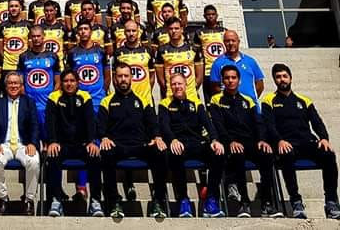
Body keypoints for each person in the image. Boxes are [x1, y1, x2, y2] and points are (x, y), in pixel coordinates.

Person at [262, 62, 340, 219]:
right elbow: (269, 125)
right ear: (274, 80)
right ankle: (296, 201)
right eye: (278, 77)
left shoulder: (304, 100)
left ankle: (331, 202)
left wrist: (324, 138)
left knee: (329, 155)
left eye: (285, 76)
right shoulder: (268, 100)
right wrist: (279, 141)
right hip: (286, 144)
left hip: (307, 142)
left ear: (291, 78)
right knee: (286, 155)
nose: (282, 79)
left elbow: (317, 122)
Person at [97, 61, 168, 219]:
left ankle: (158, 201)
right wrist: (104, 137)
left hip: (140, 146)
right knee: (106, 153)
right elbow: (100, 127)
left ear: (131, 79)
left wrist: (156, 137)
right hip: (118, 147)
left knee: (161, 152)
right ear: (115, 79)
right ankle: (114, 201)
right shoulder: (106, 101)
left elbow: (152, 123)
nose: (123, 79)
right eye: (120, 76)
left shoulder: (143, 99)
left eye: (126, 76)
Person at [208, 63, 276, 218]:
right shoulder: (216, 100)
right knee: (238, 155)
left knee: (267, 155)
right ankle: (244, 203)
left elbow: (258, 123)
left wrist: (262, 140)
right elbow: (218, 125)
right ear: (222, 81)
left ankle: (267, 202)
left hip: (250, 142)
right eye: (227, 78)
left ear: (239, 80)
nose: (230, 81)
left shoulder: (248, 100)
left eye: (233, 78)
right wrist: (230, 141)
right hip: (230, 143)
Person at [159, 72, 225, 218]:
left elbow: (208, 124)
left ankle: (211, 199)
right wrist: (172, 140)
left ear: (186, 85)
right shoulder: (164, 104)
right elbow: (164, 126)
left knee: (218, 154)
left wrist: (214, 140)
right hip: (179, 144)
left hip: (197, 143)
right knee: (174, 155)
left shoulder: (196, 102)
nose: (177, 87)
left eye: (180, 83)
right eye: (174, 84)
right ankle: (183, 200)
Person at [44, 69, 103, 218]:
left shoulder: (85, 97)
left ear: (78, 83)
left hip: (81, 144)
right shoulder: (54, 97)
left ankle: (95, 201)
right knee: (52, 156)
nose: (69, 84)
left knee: (95, 156)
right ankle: (55, 200)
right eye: (66, 81)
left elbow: (90, 121)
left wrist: (91, 141)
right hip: (62, 145)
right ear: (61, 83)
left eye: (72, 81)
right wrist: (52, 141)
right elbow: (50, 123)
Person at [0, 72, 40, 215]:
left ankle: (29, 200)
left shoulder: (29, 102)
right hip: (4, 145)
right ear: (5, 86)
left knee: (34, 161)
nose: (13, 86)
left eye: (16, 83)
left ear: (21, 86)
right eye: (10, 83)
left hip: (23, 144)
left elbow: (35, 125)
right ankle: (3, 198)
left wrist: (33, 143)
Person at [17, 25, 60, 136]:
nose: (36, 39)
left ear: (43, 37)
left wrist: (52, 97)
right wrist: (25, 97)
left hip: (47, 102)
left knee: (48, 134)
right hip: (30, 101)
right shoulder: (23, 57)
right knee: (32, 135)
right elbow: (20, 82)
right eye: (33, 36)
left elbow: (58, 81)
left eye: (38, 36)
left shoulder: (53, 56)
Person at [154, 16, 204, 104]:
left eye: (176, 28)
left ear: (182, 29)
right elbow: (160, 78)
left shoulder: (193, 49)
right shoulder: (161, 50)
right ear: (167, 30)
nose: (174, 31)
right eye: (171, 29)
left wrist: (192, 88)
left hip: (191, 96)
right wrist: (168, 89)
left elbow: (199, 76)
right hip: (171, 96)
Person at [66, 20, 111, 112]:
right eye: (80, 29)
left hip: (98, 99)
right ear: (77, 32)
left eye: (86, 29)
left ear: (91, 31)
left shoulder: (101, 51)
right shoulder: (72, 52)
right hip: (79, 99)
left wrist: (102, 91)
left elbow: (107, 76)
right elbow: (69, 77)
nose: (83, 31)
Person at [209, 29, 264, 102]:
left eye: (233, 40)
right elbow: (215, 87)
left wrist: (250, 100)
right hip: (228, 108)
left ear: (238, 42)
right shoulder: (218, 63)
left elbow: (260, 85)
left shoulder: (250, 61)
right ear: (224, 43)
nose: (231, 43)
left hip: (250, 108)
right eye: (227, 41)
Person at [113, 19, 155, 105]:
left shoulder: (147, 51)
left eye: (134, 31)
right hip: (126, 100)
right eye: (128, 31)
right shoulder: (118, 52)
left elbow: (152, 76)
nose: (131, 34)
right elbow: (115, 78)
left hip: (146, 100)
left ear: (138, 32)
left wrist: (147, 91)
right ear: (124, 33)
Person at [192, 4, 225, 101]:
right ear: (204, 16)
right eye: (208, 14)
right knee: (210, 100)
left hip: (223, 69)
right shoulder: (199, 32)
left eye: (213, 14)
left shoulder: (224, 31)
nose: (211, 16)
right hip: (208, 71)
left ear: (217, 15)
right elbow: (196, 53)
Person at [0, 0, 31, 81]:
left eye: (16, 6)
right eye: (11, 6)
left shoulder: (28, 25)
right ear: (8, 8)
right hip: (7, 66)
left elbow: (31, 47)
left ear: (20, 8)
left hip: (24, 65)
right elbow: (0, 49)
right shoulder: (2, 25)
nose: (13, 8)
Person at [41, 0, 69, 69]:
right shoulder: (40, 28)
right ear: (44, 12)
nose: (49, 13)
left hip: (59, 65)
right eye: (46, 11)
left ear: (55, 11)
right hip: (44, 64)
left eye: (51, 11)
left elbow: (66, 48)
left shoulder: (62, 27)